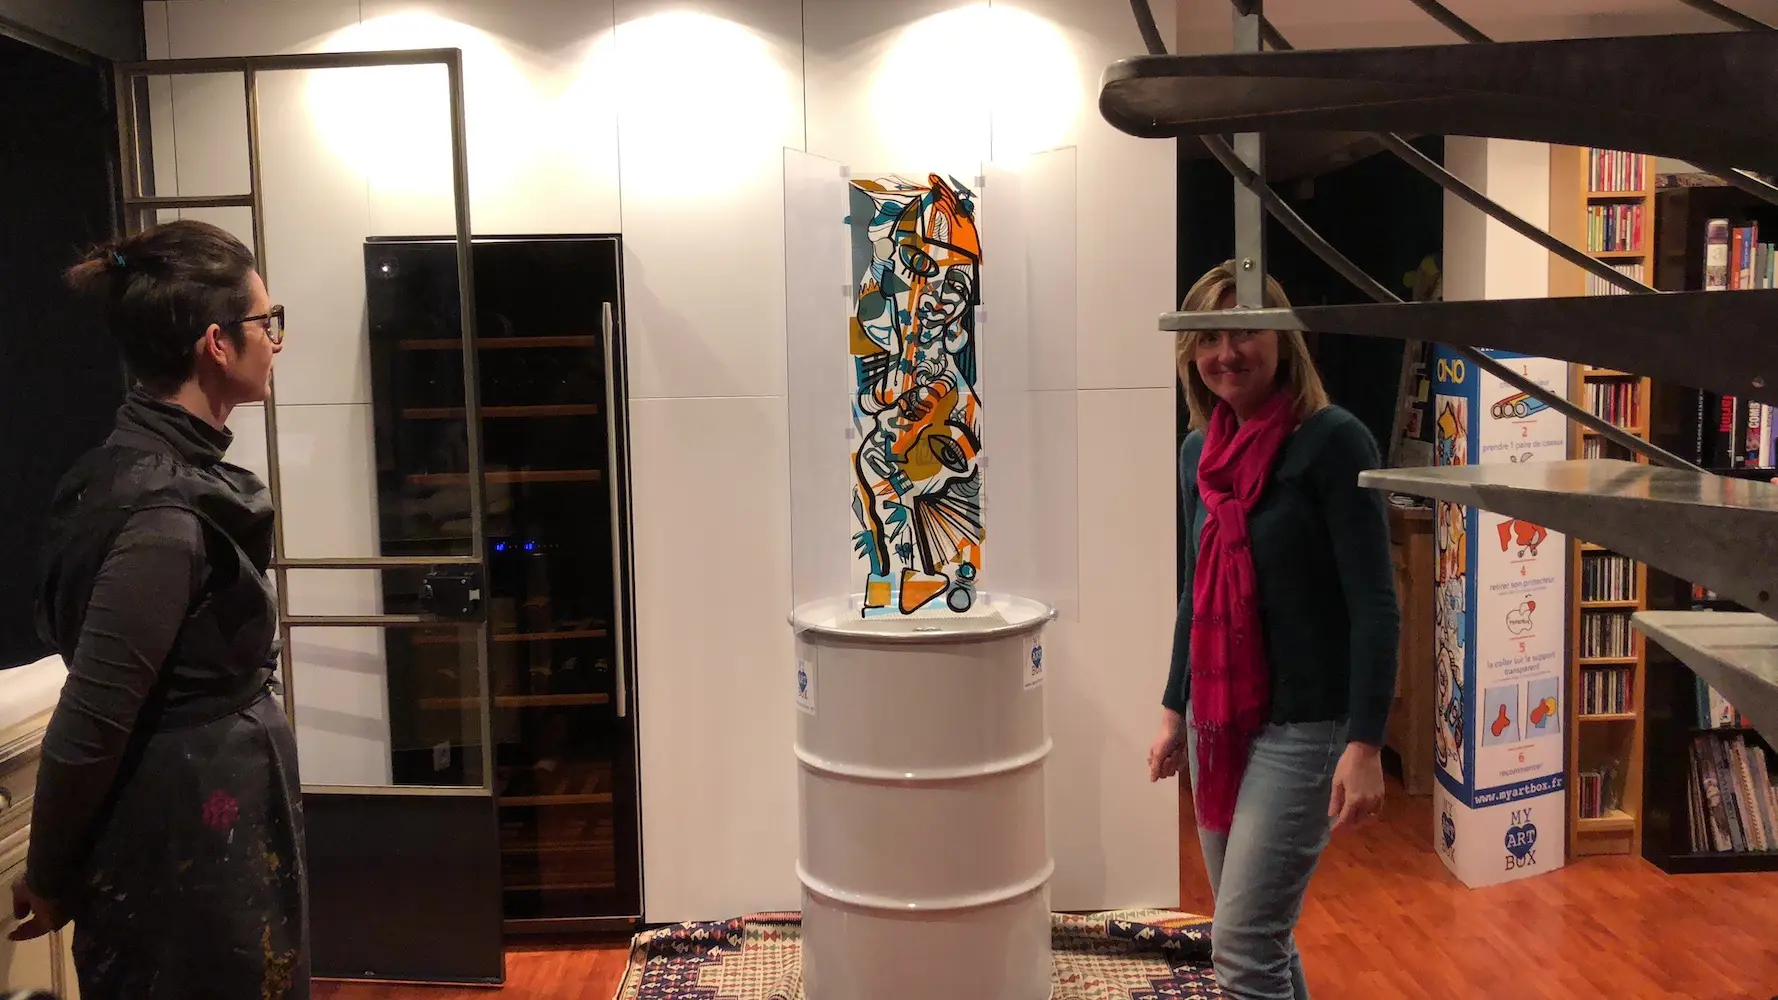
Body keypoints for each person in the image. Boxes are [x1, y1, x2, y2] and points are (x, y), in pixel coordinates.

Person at [10, 219, 308, 999]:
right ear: (217, 344)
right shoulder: (161, 513)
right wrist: (48, 876)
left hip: (207, 824)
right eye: (267, 322)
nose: (276, 341)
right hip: (185, 852)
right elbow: (92, 719)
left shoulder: (145, 476)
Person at [1147, 261, 1399, 1000]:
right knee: (1259, 934)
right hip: (1219, 721)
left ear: (1283, 339)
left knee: (1243, 943)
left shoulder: (1334, 442)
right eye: (1208, 337)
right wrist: (1172, 709)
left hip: (1307, 726)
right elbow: (1195, 591)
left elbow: (1375, 604)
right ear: (1190, 353)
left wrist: (1366, 744)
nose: (1227, 352)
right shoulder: (1198, 453)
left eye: (1246, 332)